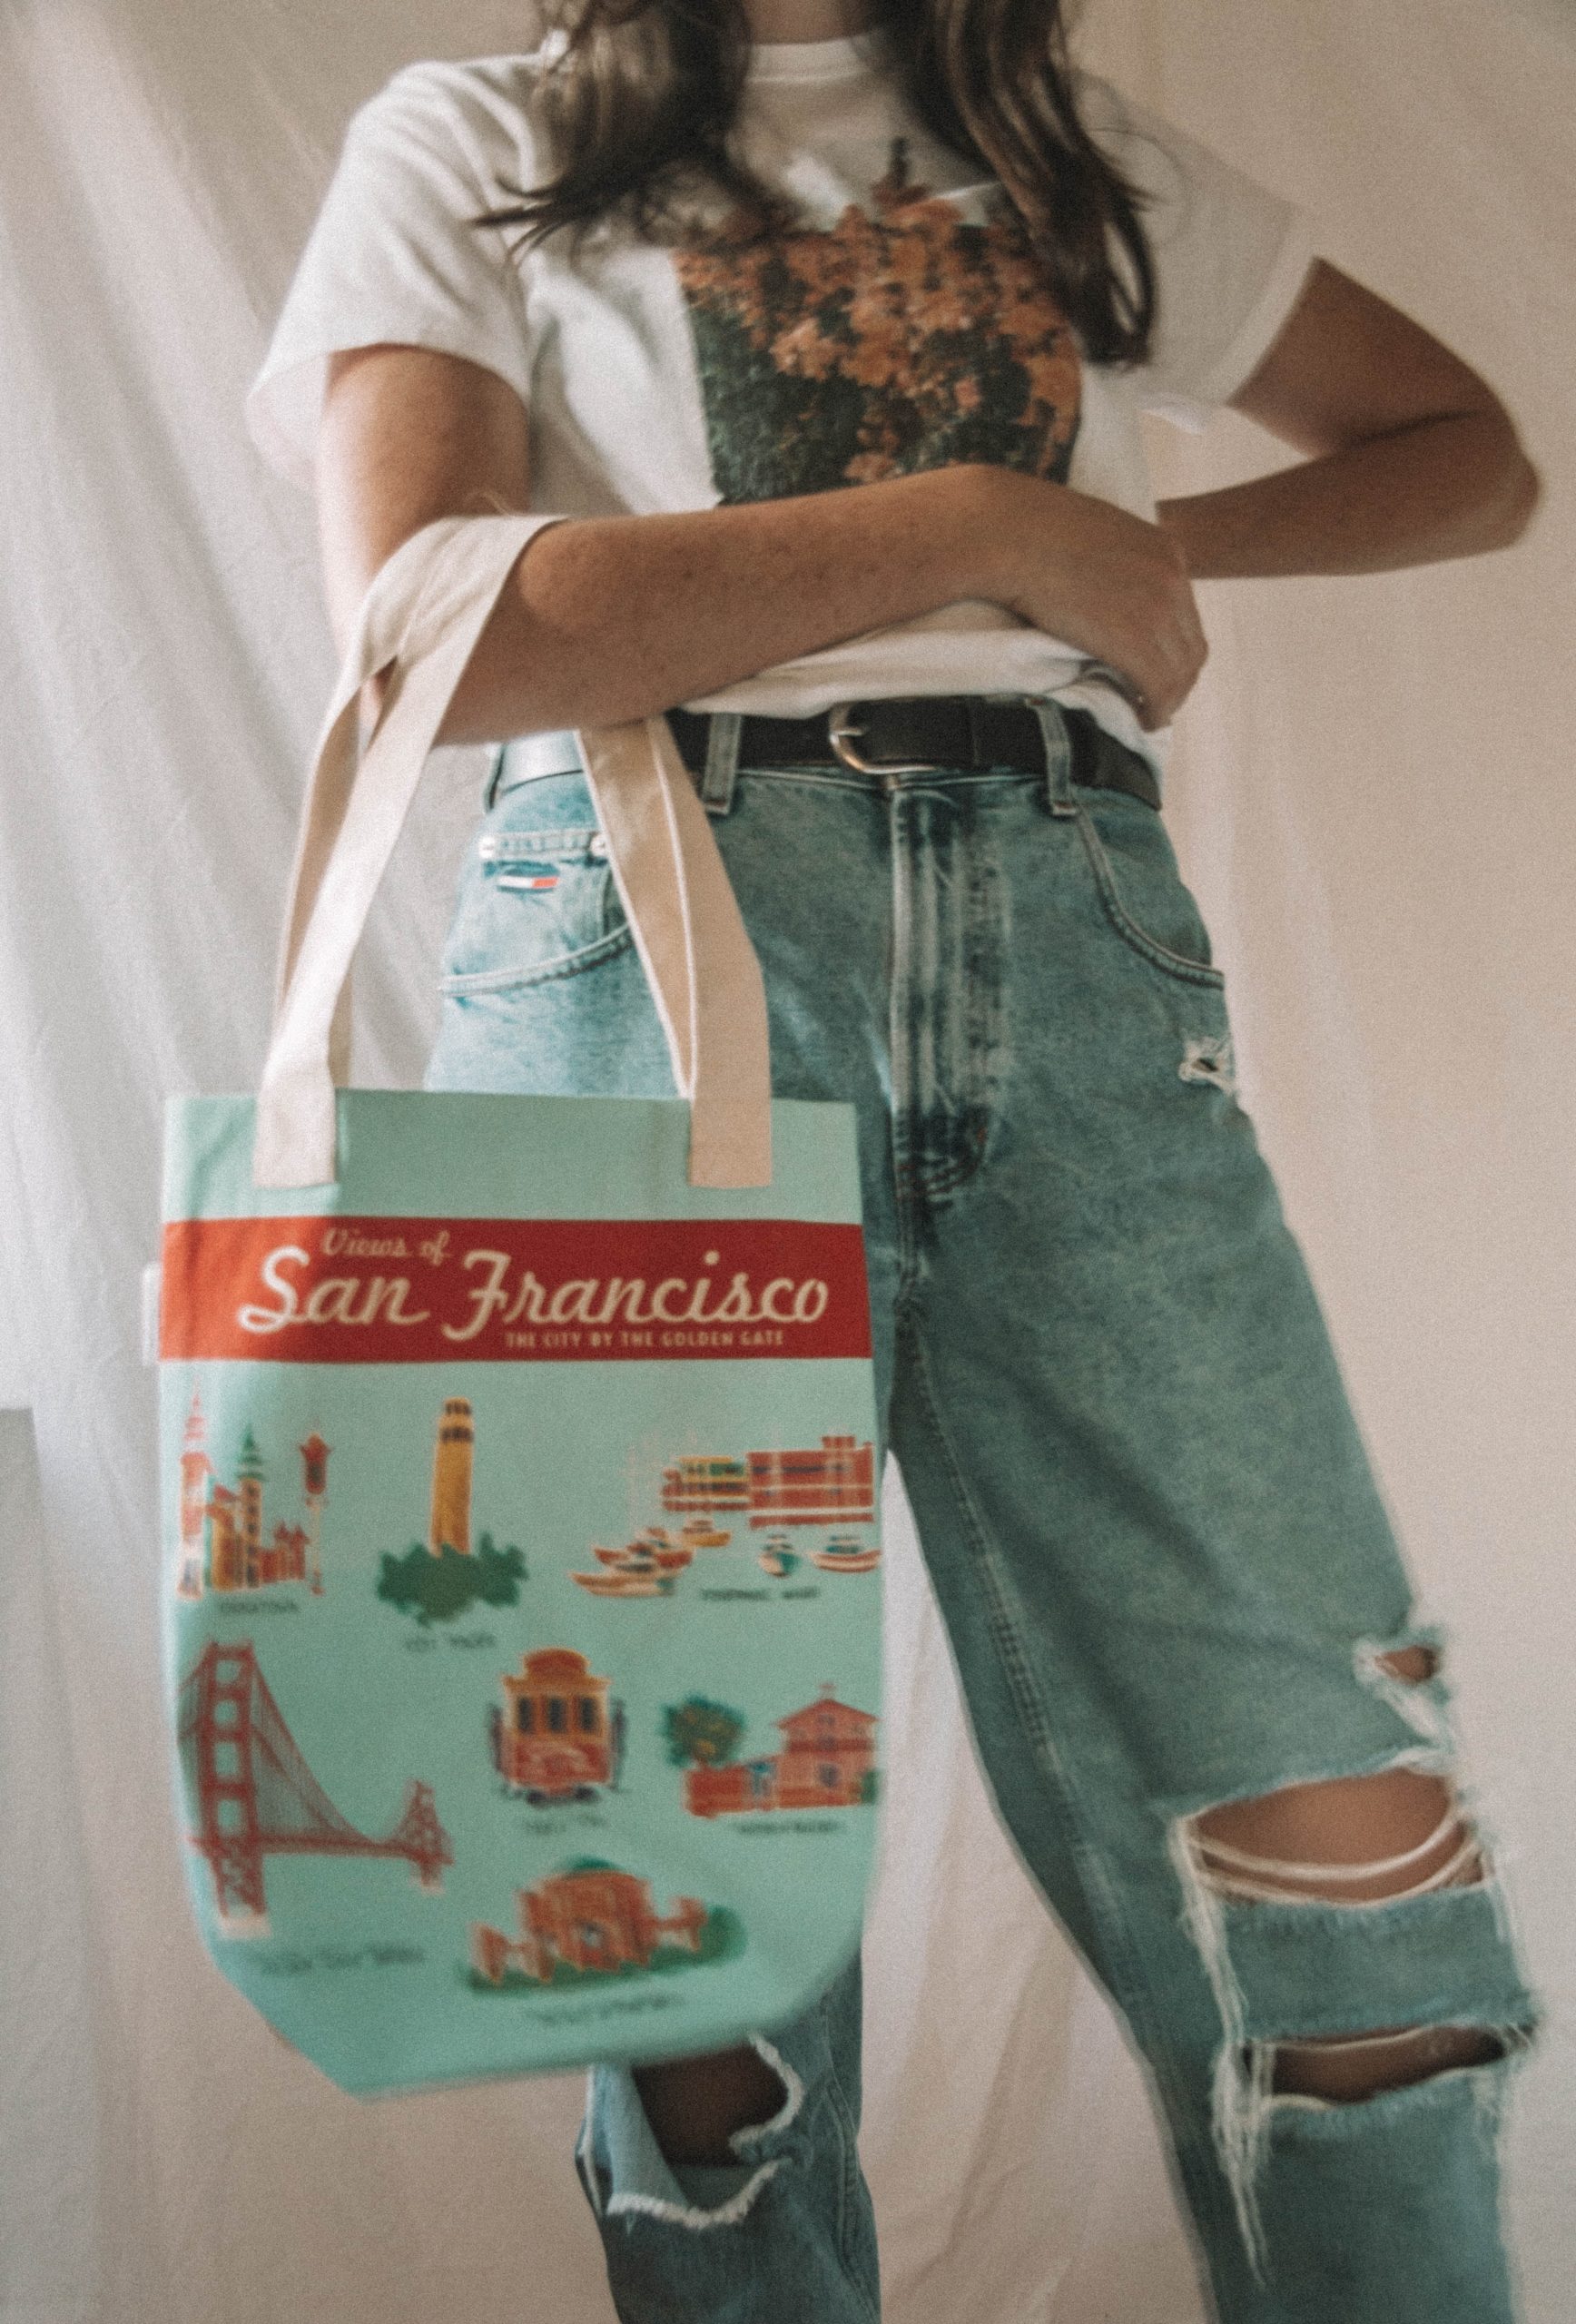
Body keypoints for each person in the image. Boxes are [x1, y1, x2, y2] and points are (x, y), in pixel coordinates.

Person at [246, 1, 1542, 2316]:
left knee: (1351, 1882)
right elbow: (430, 624)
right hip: (654, 944)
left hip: (1080, 938)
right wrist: (992, 526)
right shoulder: (486, 135)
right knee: (668, 1928)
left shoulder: (1056, 149)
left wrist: (1133, 547)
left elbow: (1469, 454)